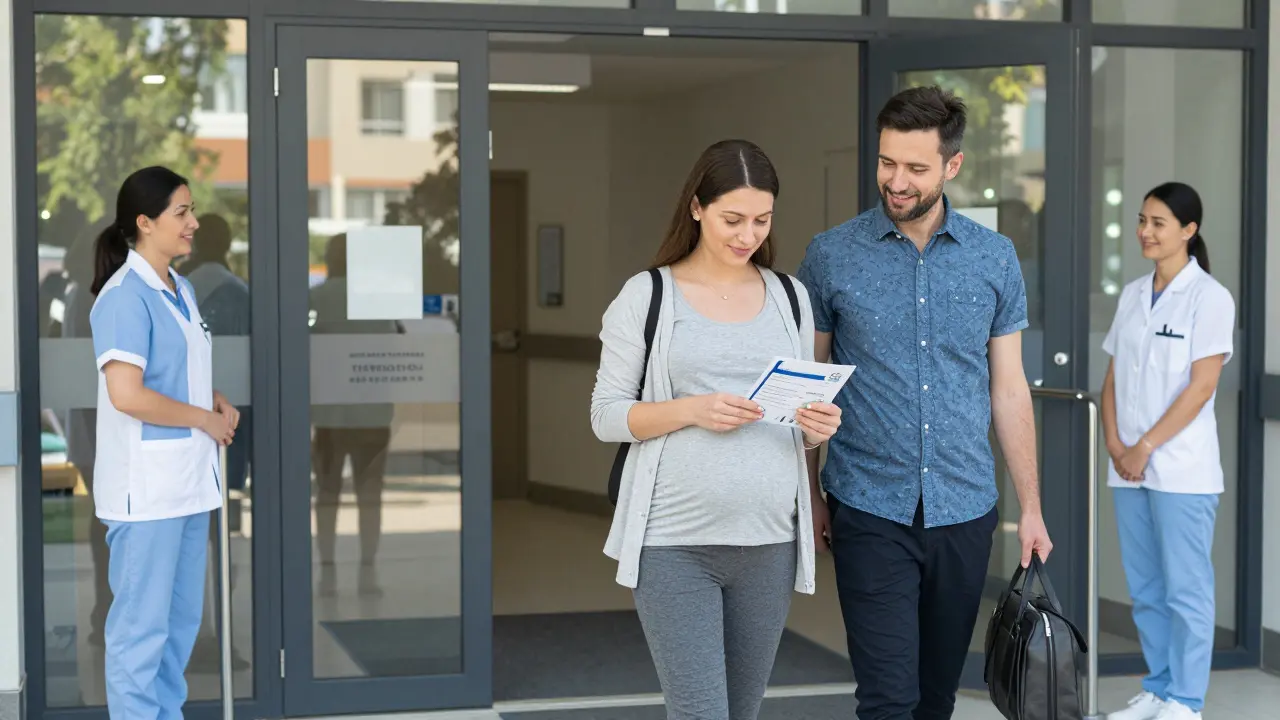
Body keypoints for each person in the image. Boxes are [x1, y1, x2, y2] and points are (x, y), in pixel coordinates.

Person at [796, 86, 1052, 720]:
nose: (897, 181)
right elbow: (808, 381)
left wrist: (1033, 509)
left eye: (915, 167)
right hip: (868, 506)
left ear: (952, 166)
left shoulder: (994, 258)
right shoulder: (831, 256)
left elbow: (1009, 387)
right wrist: (810, 492)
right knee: (887, 700)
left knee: (936, 699)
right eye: (887, 163)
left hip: (964, 507)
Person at [590, 139, 842, 720]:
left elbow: (795, 416)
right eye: (732, 219)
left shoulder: (791, 297)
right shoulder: (647, 295)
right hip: (674, 543)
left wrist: (816, 426)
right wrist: (693, 409)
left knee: (743, 711)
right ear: (697, 208)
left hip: (769, 542)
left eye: (761, 220)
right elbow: (606, 416)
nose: (747, 235)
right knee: (701, 713)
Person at [89, 166, 240, 719]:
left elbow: (173, 372)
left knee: (177, 634)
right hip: (146, 493)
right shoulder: (124, 296)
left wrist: (213, 399)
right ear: (145, 223)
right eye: (182, 212)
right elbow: (127, 394)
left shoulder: (183, 289)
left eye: (192, 210)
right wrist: (203, 417)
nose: (194, 223)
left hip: (189, 486)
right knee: (139, 638)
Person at [1101, 182, 1233, 720]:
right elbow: (1112, 377)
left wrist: (1144, 446)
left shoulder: (1210, 298)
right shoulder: (1133, 293)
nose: (1145, 232)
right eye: (1141, 220)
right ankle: (1157, 687)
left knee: (1186, 590)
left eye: (1158, 222)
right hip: (1127, 468)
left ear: (1188, 230)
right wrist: (1115, 444)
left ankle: (1186, 700)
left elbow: (1201, 387)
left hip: (1181, 469)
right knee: (1147, 588)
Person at [310, 233, 395, 597]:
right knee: (370, 492)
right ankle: (368, 561)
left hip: (330, 416)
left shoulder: (315, 299)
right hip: (372, 415)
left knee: (327, 490)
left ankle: (326, 559)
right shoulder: (377, 302)